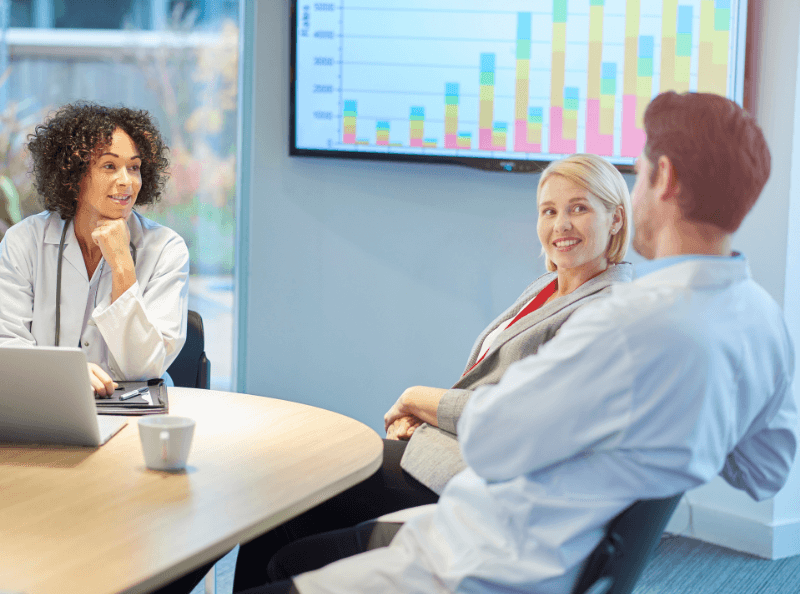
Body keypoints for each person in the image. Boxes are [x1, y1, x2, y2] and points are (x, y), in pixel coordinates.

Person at [235, 91, 799, 594]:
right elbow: (765, 470)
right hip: (555, 556)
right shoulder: (762, 321)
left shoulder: (625, 322)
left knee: (285, 560)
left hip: (488, 561)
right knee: (296, 550)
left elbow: (488, 439)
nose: (635, 192)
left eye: (639, 173)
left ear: (666, 178)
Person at [232, 153, 634, 590]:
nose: (561, 225)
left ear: (615, 219)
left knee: (294, 496)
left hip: (476, 480)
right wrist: (425, 419)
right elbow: (490, 383)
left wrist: (416, 400)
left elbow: (518, 416)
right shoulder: (549, 286)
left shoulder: (603, 311)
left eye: (579, 208)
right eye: (549, 211)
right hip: (446, 452)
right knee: (284, 501)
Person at [0, 102, 189, 395]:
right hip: (46, 401)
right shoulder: (24, 241)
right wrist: (62, 375)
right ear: (74, 175)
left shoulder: (166, 249)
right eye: (109, 166)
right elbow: (5, 346)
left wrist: (122, 265)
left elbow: (147, 368)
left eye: (134, 167)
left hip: (136, 409)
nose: (126, 181)